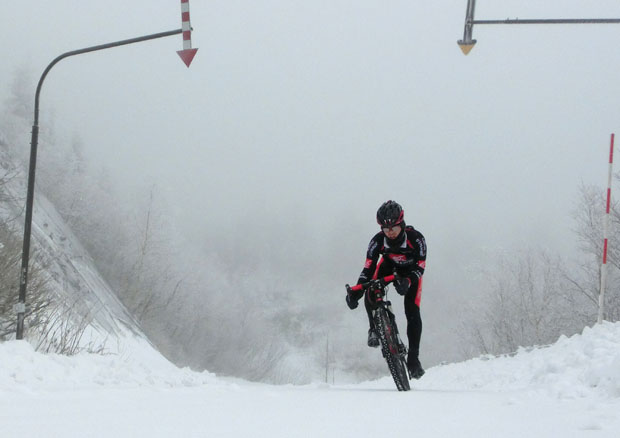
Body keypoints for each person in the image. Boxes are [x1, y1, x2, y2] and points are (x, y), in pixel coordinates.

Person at [346, 200, 427, 379]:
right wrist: (356, 292)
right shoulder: (377, 241)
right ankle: (373, 328)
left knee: (412, 310)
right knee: (371, 288)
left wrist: (408, 280)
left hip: (411, 272)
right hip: (389, 267)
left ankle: (414, 359)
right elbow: (368, 269)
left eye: (393, 228)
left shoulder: (417, 239)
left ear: (401, 224)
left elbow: (421, 267)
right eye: (385, 229)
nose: (389, 232)